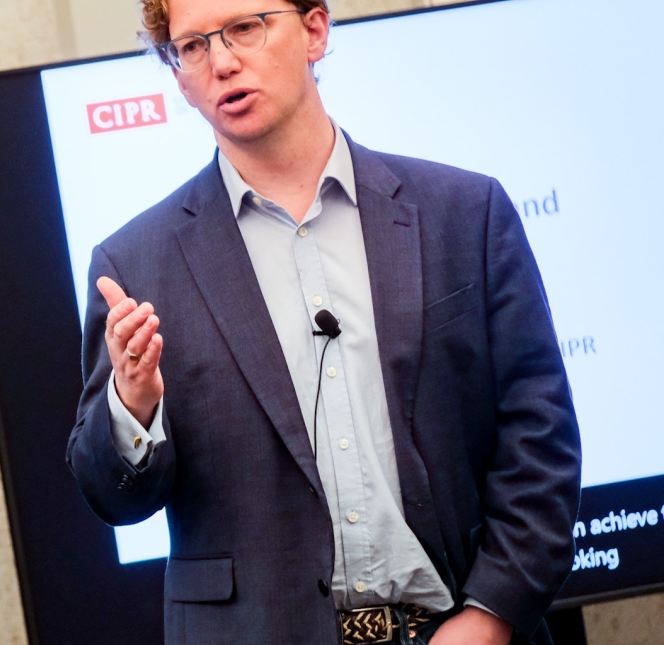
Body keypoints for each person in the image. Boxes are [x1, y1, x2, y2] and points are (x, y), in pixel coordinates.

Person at [64, 1, 581, 644]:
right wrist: (132, 407)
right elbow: (113, 497)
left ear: (314, 29)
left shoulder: (463, 213)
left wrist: (491, 614)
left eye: (245, 28)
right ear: (177, 73)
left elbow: (539, 435)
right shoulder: (134, 262)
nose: (222, 62)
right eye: (192, 46)